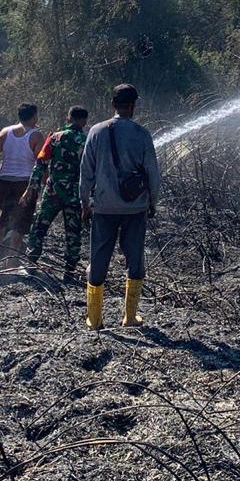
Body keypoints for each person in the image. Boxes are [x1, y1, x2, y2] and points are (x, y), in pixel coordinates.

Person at [79, 84, 161, 329]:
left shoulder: (96, 131)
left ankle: (94, 320)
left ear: (112, 105)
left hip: (104, 209)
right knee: (135, 260)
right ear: (134, 106)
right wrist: (152, 202)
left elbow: (86, 173)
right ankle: (130, 317)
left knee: (99, 259)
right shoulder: (142, 134)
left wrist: (85, 203)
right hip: (135, 209)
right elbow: (153, 174)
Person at [23, 106, 90, 282]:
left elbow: (41, 162)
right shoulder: (88, 140)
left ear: (69, 119)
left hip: (53, 191)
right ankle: (69, 272)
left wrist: (33, 187)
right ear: (84, 121)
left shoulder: (55, 137)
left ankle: (31, 263)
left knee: (39, 227)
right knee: (73, 233)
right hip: (75, 194)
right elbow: (93, 169)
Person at [0, 103, 43, 257]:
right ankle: (11, 259)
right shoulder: (36, 135)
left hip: (5, 181)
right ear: (33, 117)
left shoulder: (5, 132)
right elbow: (41, 163)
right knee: (21, 222)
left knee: (1, 217)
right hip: (25, 184)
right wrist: (44, 182)